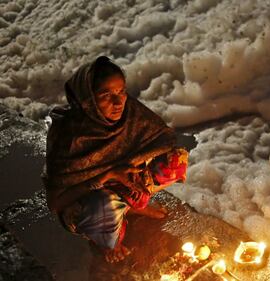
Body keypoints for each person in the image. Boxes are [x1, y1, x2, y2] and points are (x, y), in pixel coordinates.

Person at [42, 56, 188, 263]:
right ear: (87, 100)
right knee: (104, 205)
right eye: (105, 95)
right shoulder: (69, 136)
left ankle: (132, 205)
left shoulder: (131, 113)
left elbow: (162, 139)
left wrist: (133, 167)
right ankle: (108, 241)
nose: (119, 102)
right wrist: (107, 174)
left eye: (121, 91)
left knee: (175, 161)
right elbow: (56, 203)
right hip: (87, 198)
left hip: (124, 181)